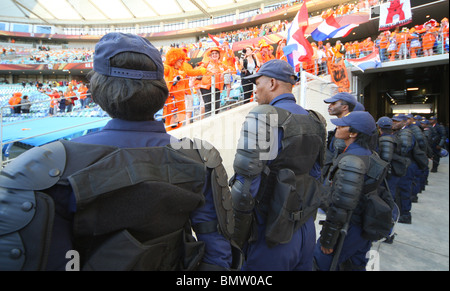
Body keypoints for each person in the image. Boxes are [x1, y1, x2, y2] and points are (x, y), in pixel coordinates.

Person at [0, 32, 235, 271]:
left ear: (98, 90)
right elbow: (217, 255)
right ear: (160, 91)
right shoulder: (200, 158)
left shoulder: (42, 169)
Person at [229, 59, 326, 270]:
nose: (255, 90)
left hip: (270, 237)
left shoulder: (265, 117)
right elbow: (317, 175)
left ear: (272, 83)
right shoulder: (316, 120)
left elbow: (246, 189)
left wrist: (234, 239)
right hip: (306, 231)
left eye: (257, 84)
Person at [314, 111, 386, 271]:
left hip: (348, 228)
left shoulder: (352, 162)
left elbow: (341, 206)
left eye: (342, 125)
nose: (337, 127)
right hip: (362, 226)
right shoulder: (370, 155)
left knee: (320, 263)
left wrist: (328, 239)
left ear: (353, 133)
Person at [322, 92, 358, 179]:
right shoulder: (339, 128)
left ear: (345, 107)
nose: (329, 106)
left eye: (333, 103)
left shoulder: (350, 129)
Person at [391, 113, 416, 224]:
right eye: (393, 121)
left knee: (403, 190)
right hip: (402, 165)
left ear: (405, 122)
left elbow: (404, 149)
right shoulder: (399, 132)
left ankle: (405, 214)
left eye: (397, 121)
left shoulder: (406, 133)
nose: (394, 123)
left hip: (405, 166)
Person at [199, 47, 231, 116]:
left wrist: (223, 73)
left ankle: (214, 122)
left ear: (219, 55)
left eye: (216, 53)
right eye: (212, 53)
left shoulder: (221, 64)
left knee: (216, 107)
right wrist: (209, 71)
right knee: (208, 107)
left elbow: (230, 69)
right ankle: (208, 123)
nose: (214, 55)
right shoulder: (206, 63)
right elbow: (199, 68)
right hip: (206, 87)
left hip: (217, 87)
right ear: (210, 55)